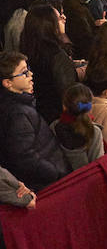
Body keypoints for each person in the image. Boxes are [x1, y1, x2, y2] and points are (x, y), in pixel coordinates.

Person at [0, 51, 68, 191]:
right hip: (48, 184)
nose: (31, 75)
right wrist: (56, 173)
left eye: (29, 70)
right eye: (24, 73)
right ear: (8, 83)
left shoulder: (18, 106)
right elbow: (25, 159)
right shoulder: (17, 114)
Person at [20, 2, 81, 123]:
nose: (64, 19)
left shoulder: (28, 51)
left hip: (40, 116)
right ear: (49, 25)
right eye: (58, 18)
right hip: (61, 120)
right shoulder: (57, 56)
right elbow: (70, 98)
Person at [51, 83, 104, 171]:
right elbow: (98, 163)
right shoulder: (94, 131)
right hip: (87, 180)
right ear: (90, 108)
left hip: (65, 181)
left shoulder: (54, 127)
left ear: (64, 106)